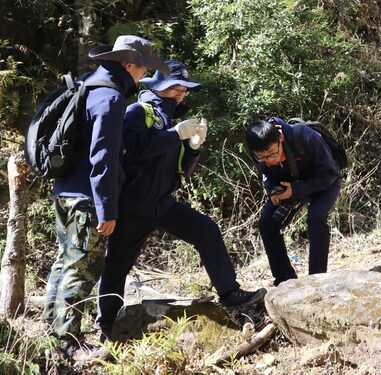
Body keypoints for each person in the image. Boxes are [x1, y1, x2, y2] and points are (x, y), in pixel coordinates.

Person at [96, 60, 267, 342]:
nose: (182, 94)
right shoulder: (137, 112)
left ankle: (230, 294)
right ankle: (107, 327)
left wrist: (193, 147)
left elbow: (182, 171)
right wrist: (175, 135)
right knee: (117, 267)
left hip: (163, 203)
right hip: (133, 206)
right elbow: (136, 149)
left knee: (206, 230)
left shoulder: (173, 120)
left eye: (185, 90)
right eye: (177, 88)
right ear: (160, 86)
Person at [42, 35, 170, 359]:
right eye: (143, 68)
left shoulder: (89, 87)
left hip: (65, 191)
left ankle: (52, 335)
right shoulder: (111, 98)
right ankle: (68, 346)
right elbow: (104, 157)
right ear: (129, 64)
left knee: (66, 263)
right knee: (82, 269)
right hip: (87, 197)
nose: (144, 75)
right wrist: (106, 209)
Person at [245, 117, 342, 286]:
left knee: (316, 217)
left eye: (273, 153)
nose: (270, 160)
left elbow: (330, 173)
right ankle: (285, 281)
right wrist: (272, 191)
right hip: (292, 185)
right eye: (262, 157)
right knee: (266, 224)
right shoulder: (258, 150)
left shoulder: (306, 137)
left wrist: (296, 190)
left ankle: (316, 280)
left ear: (280, 138)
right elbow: (266, 173)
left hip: (325, 182)